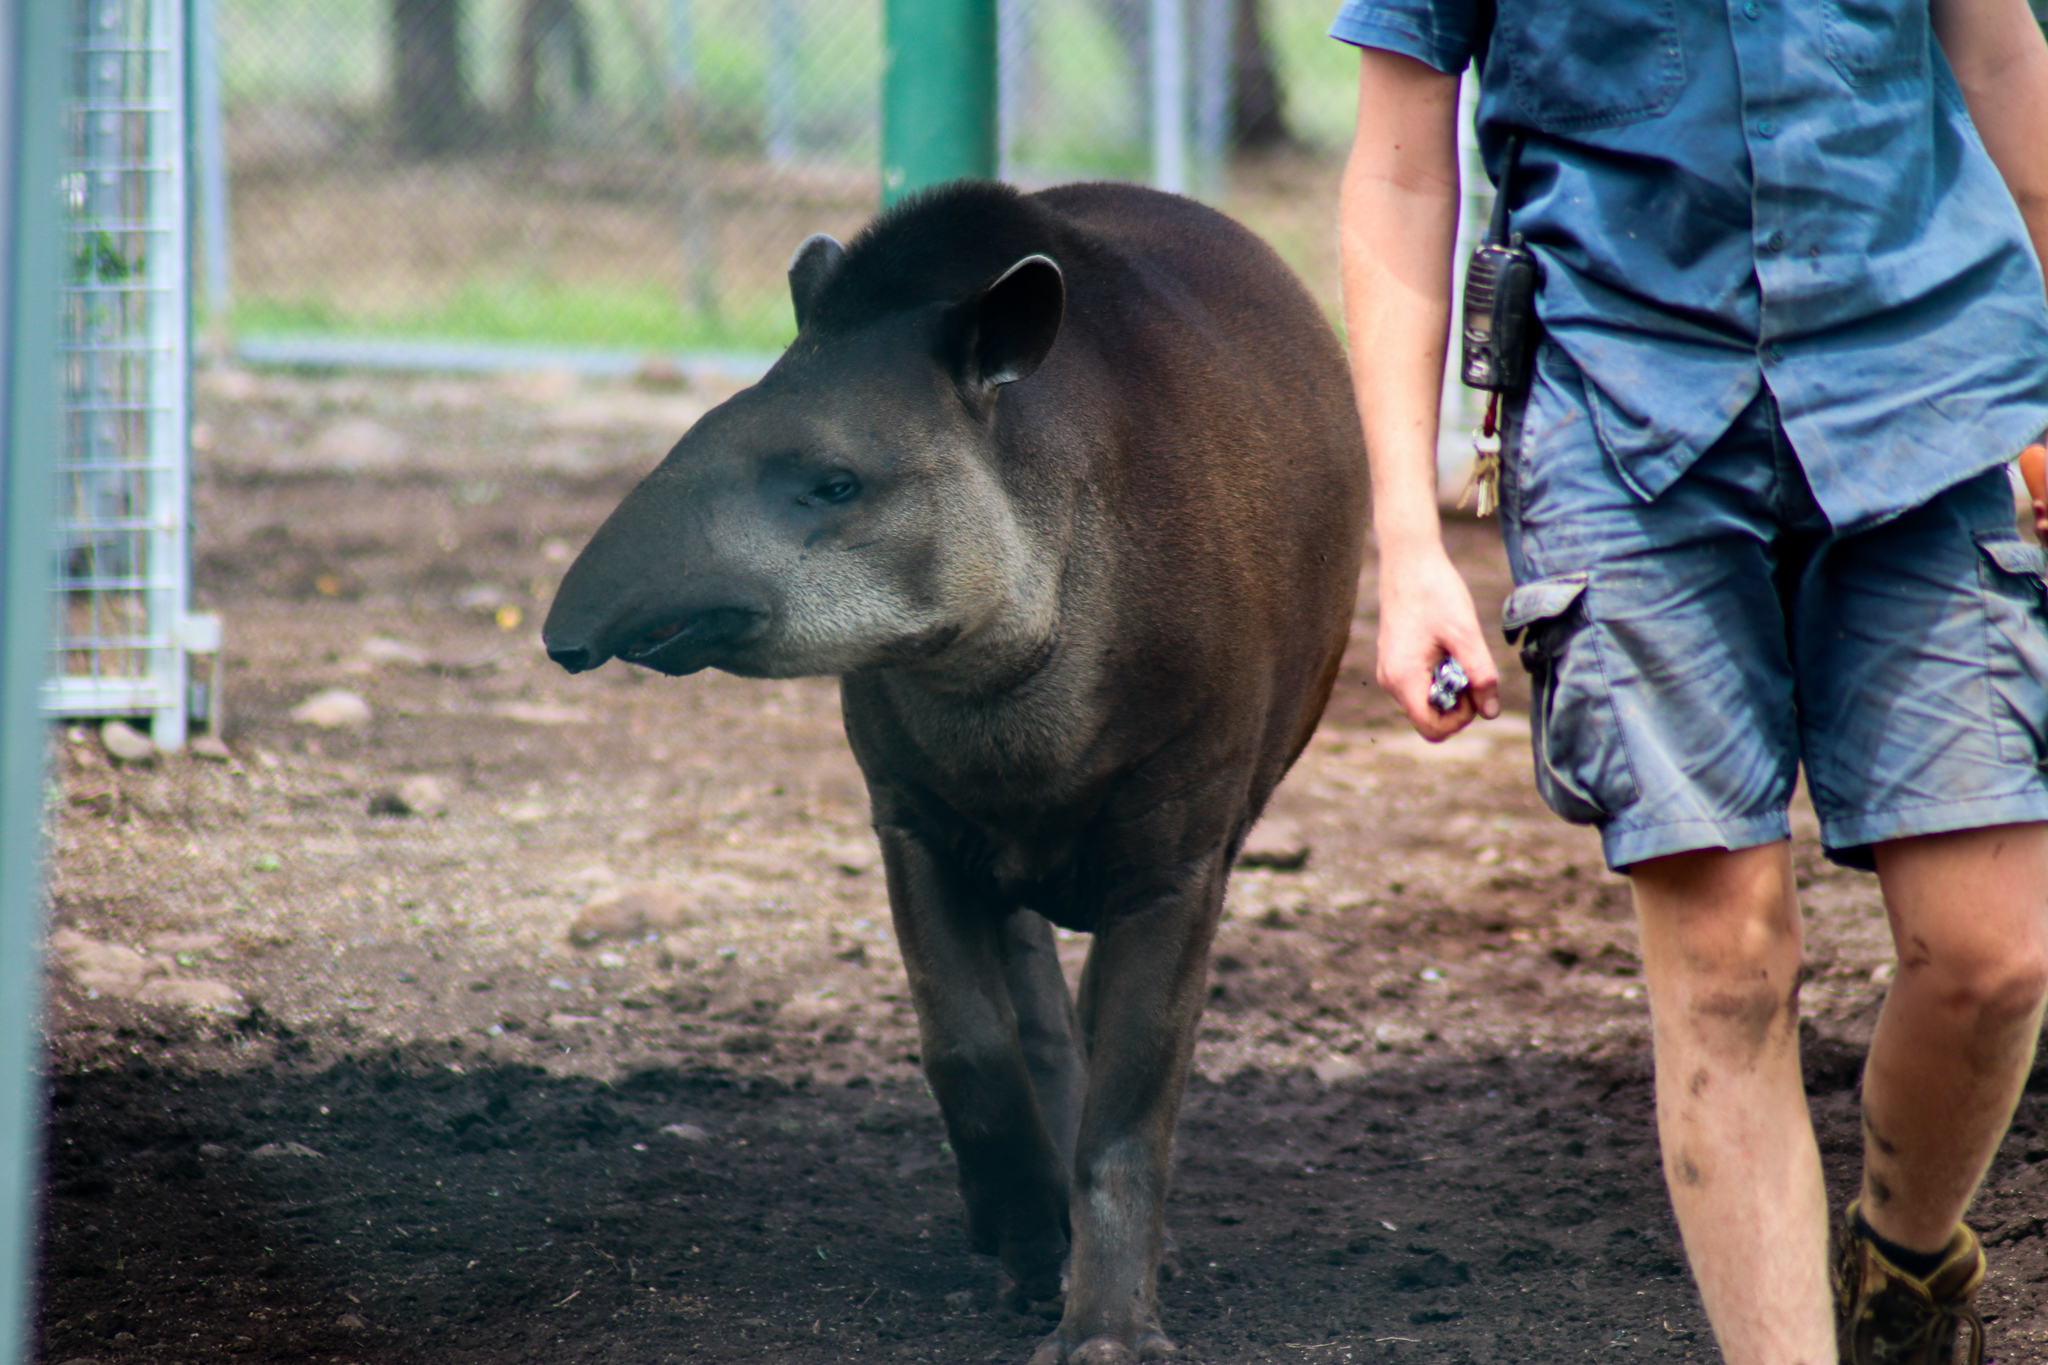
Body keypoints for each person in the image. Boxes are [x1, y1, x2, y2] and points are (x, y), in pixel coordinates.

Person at [1330, 2, 2048, 1361]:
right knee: (1726, 963)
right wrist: (1410, 544)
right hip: (1622, 414)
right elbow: (1399, 168)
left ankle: (1900, 1270)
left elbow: (2001, 52)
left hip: (1927, 387)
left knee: (1994, 958)